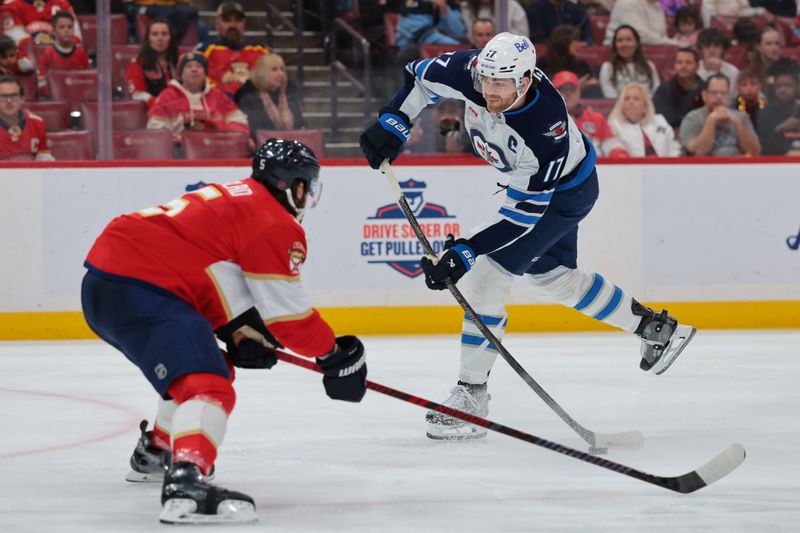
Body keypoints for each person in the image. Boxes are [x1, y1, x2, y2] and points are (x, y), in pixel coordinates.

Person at [359, 32, 696, 440]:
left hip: (564, 195)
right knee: (553, 279)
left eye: (500, 83)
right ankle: (656, 330)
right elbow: (419, 80)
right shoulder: (473, 73)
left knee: (485, 280)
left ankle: (471, 396)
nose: (488, 90)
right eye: (485, 80)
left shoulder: (544, 129)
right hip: (546, 189)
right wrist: (394, 120)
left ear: (525, 80)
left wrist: (468, 250)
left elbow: (523, 215)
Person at [81, 138, 367, 524]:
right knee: (208, 385)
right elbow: (290, 321)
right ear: (296, 186)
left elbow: (202, 269)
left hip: (112, 283)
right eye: (307, 187)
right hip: (139, 287)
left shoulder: (237, 197)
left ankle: (158, 451)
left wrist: (235, 329)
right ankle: (186, 484)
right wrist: (334, 353)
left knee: (208, 367)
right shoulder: (273, 221)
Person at [147, 51, 249, 144]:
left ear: (205, 74)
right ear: (180, 74)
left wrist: (215, 128)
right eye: (189, 66)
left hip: (216, 149)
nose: (194, 69)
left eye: (199, 66)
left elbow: (241, 125)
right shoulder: (167, 96)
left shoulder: (218, 96)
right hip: (178, 153)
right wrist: (183, 139)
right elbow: (156, 131)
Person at [197, 1, 270, 96]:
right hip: (218, 105)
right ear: (217, 24)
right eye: (227, 20)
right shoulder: (204, 52)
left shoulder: (260, 50)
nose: (232, 25)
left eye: (238, 20)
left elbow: (271, 80)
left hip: (255, 105)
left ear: (244, 24)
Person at [679, 73, 761, 156]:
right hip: (705, 167)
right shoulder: (692, 118)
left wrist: (737, 123)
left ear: (729, 96)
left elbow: (755, 152)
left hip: (737, 166)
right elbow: (698, 152)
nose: (719, 97)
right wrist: (711, 121)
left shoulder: (742, 117)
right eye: (714, 93)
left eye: (723, 93)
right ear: (704, 95)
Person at [554, 70, 629, 157]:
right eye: (562, 89)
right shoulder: (546, 120)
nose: (568, 93)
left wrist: (620, 157)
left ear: (579, 91)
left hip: (596, 167)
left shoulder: (596, 118)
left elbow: (612, 146)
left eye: (572, 89)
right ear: (554, 93)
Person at [236, 53, 305, 141]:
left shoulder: (290, 96)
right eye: (274, 70)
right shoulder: (249, 99)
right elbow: (252, 132)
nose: (280, 74)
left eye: (282, 69)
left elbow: (301, 126)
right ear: (262, 73)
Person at [608, 82, 682, 156]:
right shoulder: (614, 125)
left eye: (636, 99)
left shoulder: (660, 121)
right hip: (632, 166)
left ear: (646, 106)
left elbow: (673, 147)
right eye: (627, 99)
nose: (631, 102)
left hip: (665, 166)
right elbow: (614, 150)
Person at [125, 16, 179, 109]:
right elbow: (136, 94)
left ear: (171, 38)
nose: (160, 38)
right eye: (155, 34)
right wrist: (158, 103)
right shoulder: (137, 63)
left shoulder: (180, 60)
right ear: (148, 38)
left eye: (164, 34)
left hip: (182, 111)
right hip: (153, 114)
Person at [536, 24, 601, 98]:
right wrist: (577, 86)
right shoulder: (543, 64)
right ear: (564, 42)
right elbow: (544, 90)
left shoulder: (582, 65)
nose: (581, 44)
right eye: (576, 40)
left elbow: (593, 86)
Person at [36, 11, 90, 97]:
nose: (66, 30)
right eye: (61, 27)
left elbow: (88, 80)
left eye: (70, 27)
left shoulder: (81, 53)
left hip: (78, 96)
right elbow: (42, 83)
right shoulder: (48, 54)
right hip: (55, 98)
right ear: (54, 30)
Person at [0, 75, 53, 160]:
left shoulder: (37, 123)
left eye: (14, 96)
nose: (9, 101)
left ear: (22, 98)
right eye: (3, 96)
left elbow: (45, 160)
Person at [395, 0, 467, 63]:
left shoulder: (449, 3)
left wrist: (443, 8)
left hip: (435, 40)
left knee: (461, 49)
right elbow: (405, 27)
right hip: (409, 42)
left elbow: (459, 32)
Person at [600, 25, 661, 98]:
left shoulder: (649, 66)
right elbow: (610, 98)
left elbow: (657, 94)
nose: (624, 44)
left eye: (628, 39)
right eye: (619, 40)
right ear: (615, 45)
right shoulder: (608, 68)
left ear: (637, 43)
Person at [652, 47, 704, 129]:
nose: (683, 66)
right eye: (679, 62)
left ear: (697, 66)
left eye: (688, 62)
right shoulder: (665, 89)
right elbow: (662, 120)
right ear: (674, 65)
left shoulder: (705, 89)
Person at [757, 59, 800, 154]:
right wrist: (780, 129)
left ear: (797, 88)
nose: (782, 90)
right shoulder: (765, 114)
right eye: (779, 86)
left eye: (788, 85)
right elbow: (763, 148)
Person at [0, 0, 82, 46]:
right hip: (29, 61)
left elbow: (76, 38)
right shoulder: (11, 6)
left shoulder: (62, 3)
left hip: (59, 57)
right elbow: (18, 41)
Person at [603, 0, 679, 46]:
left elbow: (662, 36)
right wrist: (674, 43)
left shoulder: (657, 6)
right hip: (618, 54)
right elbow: (640, 35)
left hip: (651, 52)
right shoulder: (628, 2)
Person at [526, 0, 593, 44]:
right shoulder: (534, 10)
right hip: (544, 58)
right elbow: (535, 38)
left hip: (574, 57)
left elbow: (587, 38)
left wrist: (583, 43)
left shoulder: (579, 11)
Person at [696, 28, 740, 96]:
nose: (712, 50)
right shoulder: (694, 69)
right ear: (701, 49)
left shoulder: (733, 72)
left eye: (716, 46)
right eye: (707, 46)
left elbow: (735, 99)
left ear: (723, 49)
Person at [461, 0, 528, 41]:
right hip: (476, 49)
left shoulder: (512, 6)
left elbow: (523, 37)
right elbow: (463, 33)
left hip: (507, 50)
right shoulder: (466, 7)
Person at [700, 0, 774, 28]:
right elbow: (709, 19)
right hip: (717, 33)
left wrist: (760, 11)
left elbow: (740, 11)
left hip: (739, 30)